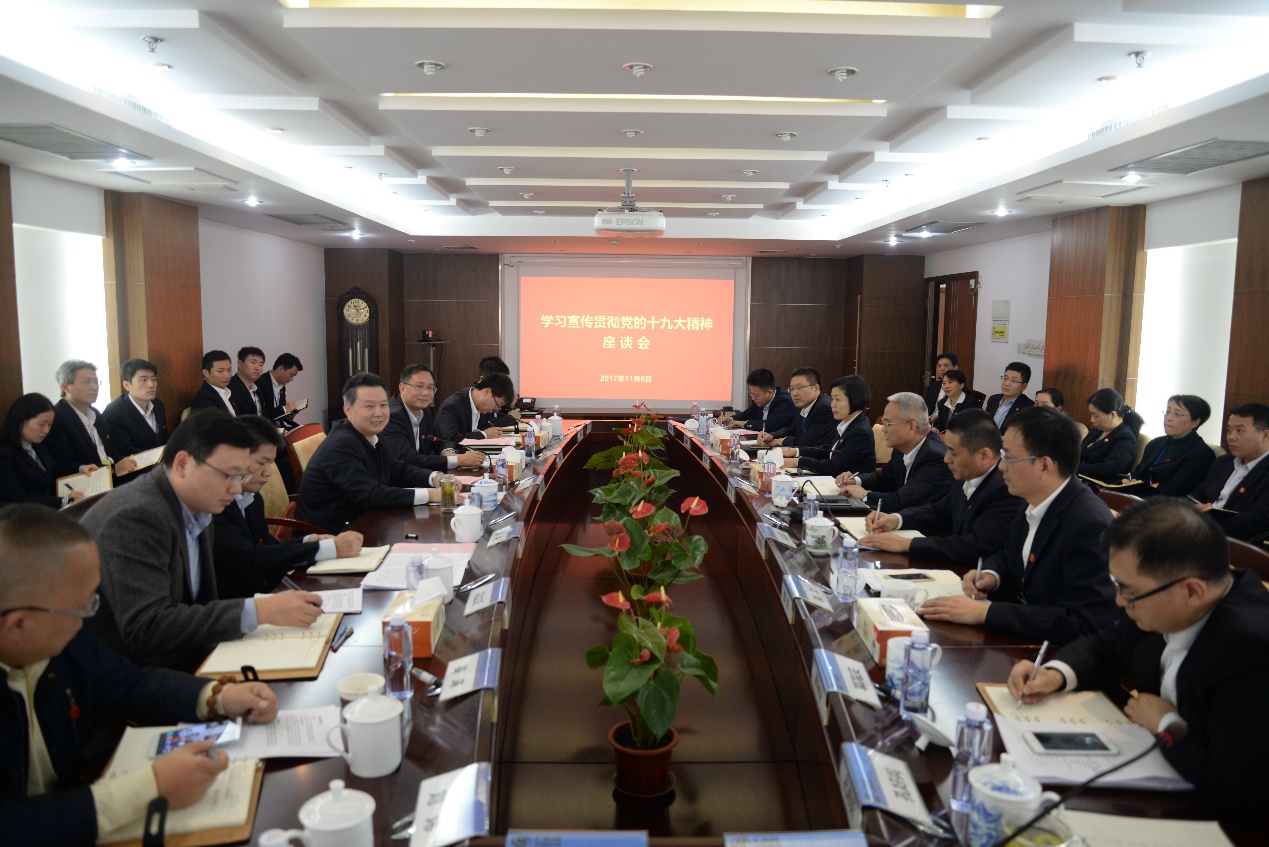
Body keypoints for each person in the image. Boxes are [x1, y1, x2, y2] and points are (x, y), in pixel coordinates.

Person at [0, 504, 280, 845]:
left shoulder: (62, 636)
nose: (90, 617)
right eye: (83, 606)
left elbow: (125, 683)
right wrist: (148, 789)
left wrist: (217, 696)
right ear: (18, 626)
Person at [1007, 498, 1269, 821]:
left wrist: (1166, 725)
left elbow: (1232, 784)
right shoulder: (1156, 598)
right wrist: (1055, 674)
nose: (1118, 601)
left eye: (1127, 591)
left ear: (1192, 591)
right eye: (1116, 585)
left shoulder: (1252, 652)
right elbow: (1106, 646)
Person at [82, 410, 324, 670]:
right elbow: (147, 628)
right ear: (183, 464)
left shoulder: (199, 504)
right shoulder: (136, 516)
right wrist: (259, 611)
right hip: (136, 673)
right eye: (229, 475)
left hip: (195, 652)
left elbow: (202, 602)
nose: (236, 489)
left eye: (241, 476)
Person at [920, 406, 1117, 645]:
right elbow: (1011, 554)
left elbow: (1082, 622)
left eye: (1009, 458)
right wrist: (991, 575)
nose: (1001, 466)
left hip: (1050, 652)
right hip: (1017, 633)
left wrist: (986, 613)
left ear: (1044, 465)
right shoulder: (1032, 498)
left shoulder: (1088, 523)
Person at [212, 416, 363, 599]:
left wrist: (310, 541)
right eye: (262, 463)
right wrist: (325, 549)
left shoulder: (252, 498)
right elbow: (251, 558)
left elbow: (268, 546)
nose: (268, 472)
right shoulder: (214, 506)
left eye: (271, 463)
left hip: (266, 593)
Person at [860, 409, 1023, 565]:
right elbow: (939, 512)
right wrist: (896, 519)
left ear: (984, 455)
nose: (946, 459)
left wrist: (908, 544)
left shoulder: (1004, 488)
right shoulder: (966, 473)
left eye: (953, 452)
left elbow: (975, 546)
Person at [298, 373, 443, 532]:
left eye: (383, 405)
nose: (379, 413)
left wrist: (435, 477)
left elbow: (396, 470)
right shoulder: (341, 445)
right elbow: (371, 495)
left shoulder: (372, 434)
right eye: (369, 406)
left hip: (365, 521)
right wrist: (430, 496)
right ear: (348, 410)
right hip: (332, 534)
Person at [836, 392, 954, 512]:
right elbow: (884, 478)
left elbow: (904, 501)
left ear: (911, 427)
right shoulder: (902, 447)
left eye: (888, 423)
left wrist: (865, 495)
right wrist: (856, 481)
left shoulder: (935, 458)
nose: (883, 429)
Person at [383, 365, 486, 474]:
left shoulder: (424, 411)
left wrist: (447, 451)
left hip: (420, 474)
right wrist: (457, 460)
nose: (425, 393)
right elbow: (408, 459)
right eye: (419, 386)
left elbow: (438, 439)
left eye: (430, 388)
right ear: (402, 388)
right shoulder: (393, 416)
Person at [44, 360, 137, 480]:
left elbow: (109, 450)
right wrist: (112, 469)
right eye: (87, 382)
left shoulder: (95, 413)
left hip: (111, 477)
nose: (94, 387)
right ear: (66, 387)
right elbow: (64, 466)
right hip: (87, 483)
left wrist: (122, 461)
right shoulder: (57, 419)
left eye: (96, 381)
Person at [1189, 402, 1269, 541]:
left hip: (1235, 542)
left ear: (1265, 435)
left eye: (1240, 431)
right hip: (1198, 531)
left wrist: (1206, 520)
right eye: (1229, 430)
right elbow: (1197, 495)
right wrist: (1193, 509)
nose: (1231, 437)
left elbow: (1258, 520)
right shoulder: (1224, 462)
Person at [781, 374, 874, 477]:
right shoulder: (848, 423)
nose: (832, 404)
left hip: (850, 484)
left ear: (855, 399)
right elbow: (828, 449)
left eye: (838, 399)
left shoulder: (860, 431)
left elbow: (835, 466)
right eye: (832, 399)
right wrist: (796, 451)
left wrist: (799, 462)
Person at [0, 394, 83, 507]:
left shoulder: (36, 445)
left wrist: (80, 468)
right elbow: (17, 500)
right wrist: (63, 501)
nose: (46, 430)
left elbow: (54, 469)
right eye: (42, 424)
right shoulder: (4, 454)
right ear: (21, 421)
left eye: (50, 425)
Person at [1132, 395, 1216, 496]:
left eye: (1177, 414)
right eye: (1168, 412)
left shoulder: (1201, 454)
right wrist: (1129, 481)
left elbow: (1174, 491)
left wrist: (1139, 489)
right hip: (1138, 497)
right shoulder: (1155, 443)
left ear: (1195, 422)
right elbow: (1138, 473)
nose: (1168, 418)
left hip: (1166, 503)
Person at [100, 358, 168, 459]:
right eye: (143, 380)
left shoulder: (158, 405)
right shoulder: (114, 413)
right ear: (127, 385)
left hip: (162, 463)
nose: (151, 385)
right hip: (135, 467)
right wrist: (162, 457)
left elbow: (164, 437)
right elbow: (124, 450)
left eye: (153, 379)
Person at [757, 367, 836, 450]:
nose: (794, 393)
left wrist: (782, 441)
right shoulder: (804, 404)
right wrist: (772, 435)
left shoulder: (824, 408)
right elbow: (792, 429)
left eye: (799, 388)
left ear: (816, 388)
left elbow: (808, 443)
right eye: (792, 389)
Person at [1078, 388, 1144, 481]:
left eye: (1096, 416)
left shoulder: (1125, 438)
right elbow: (1080, 451)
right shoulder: (1097, 430)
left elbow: (1110, 469)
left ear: (1113, 415)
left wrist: (1074, 468)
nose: (1092, 420)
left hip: (1098, 485)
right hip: (1079, 479)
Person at [435, 373, 515, 442]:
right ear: (487, 392)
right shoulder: (453, 406)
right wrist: (483, 435)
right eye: (497, 405)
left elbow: (488, 426)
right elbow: (450, 438)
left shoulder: (483, 407)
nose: (494, 410)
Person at [721, 368, 797, 434]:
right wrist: (731, 419)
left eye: (755, 395)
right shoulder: (759, 401)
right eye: (751, 394)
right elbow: (745, 415)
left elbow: (769, 426)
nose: (753, 398)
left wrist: (744, 423)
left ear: (769, 393)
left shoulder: (785, 402)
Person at [984, 362, 1034, 428]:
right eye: (1005, 378)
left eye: (1013, 380)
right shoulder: (993, 399)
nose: (1006, 384)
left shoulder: (1028, 408)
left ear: (1024, 386)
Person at [190, 350, 237, 416]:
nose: (227, 376)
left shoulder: (227, 392)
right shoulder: (204, 400)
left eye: (229, 370)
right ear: (206, 373)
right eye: (220, 371)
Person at [259, 353, 303, 423]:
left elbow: (278, 412)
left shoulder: (282, 385)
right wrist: (284, 409)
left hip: (280, 426)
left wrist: (288, 414)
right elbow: (261, 413)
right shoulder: (261, 383)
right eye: (291, 375)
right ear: (281, 369)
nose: (292, 379)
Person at [478, 355, 521, 426]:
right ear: (483, 380)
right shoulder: (476, 400)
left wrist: (510, 404)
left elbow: (500, 415)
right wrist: (510, 418)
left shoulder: (498, 396)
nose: (502, 388)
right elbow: (486, 425)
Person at [228, 347, 266, 417]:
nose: (257, 368)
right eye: (253, 362)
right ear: (240, 364)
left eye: (261, 364)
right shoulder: (229, 388)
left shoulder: (258, 389)